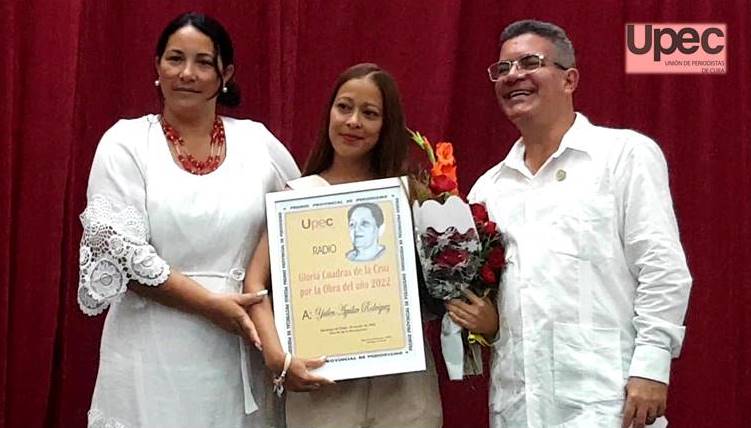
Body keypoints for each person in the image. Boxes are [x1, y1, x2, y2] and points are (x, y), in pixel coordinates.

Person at [462, 20, 692, 428]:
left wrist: (652, 366)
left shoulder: (623, 155)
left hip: (609, 400)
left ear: (570, 79)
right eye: (503, 69)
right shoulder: (487, 190)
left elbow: (662, 268)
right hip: (519, 406)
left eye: (529, 62)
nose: (514, 75)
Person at [77, 12, 298, 428]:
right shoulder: (126, 143)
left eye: (203, 62)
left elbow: (305, 222)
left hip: (238, 351)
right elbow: (119, 250)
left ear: (225, 74)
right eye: (175, 59)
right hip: (148, 354)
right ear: (157, 66)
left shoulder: (258, 142)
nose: (187, 74)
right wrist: (211, 306)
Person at [245, 63, 443, 428]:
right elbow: (254, 283)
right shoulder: (297, 197)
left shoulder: (408, 197)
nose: (353, 121)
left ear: (387, 124)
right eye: (344, 107)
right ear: (329, 114)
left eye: (369, 113)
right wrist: (277, 356)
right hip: (322, 387)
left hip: (402, 389)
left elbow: (442, 286)